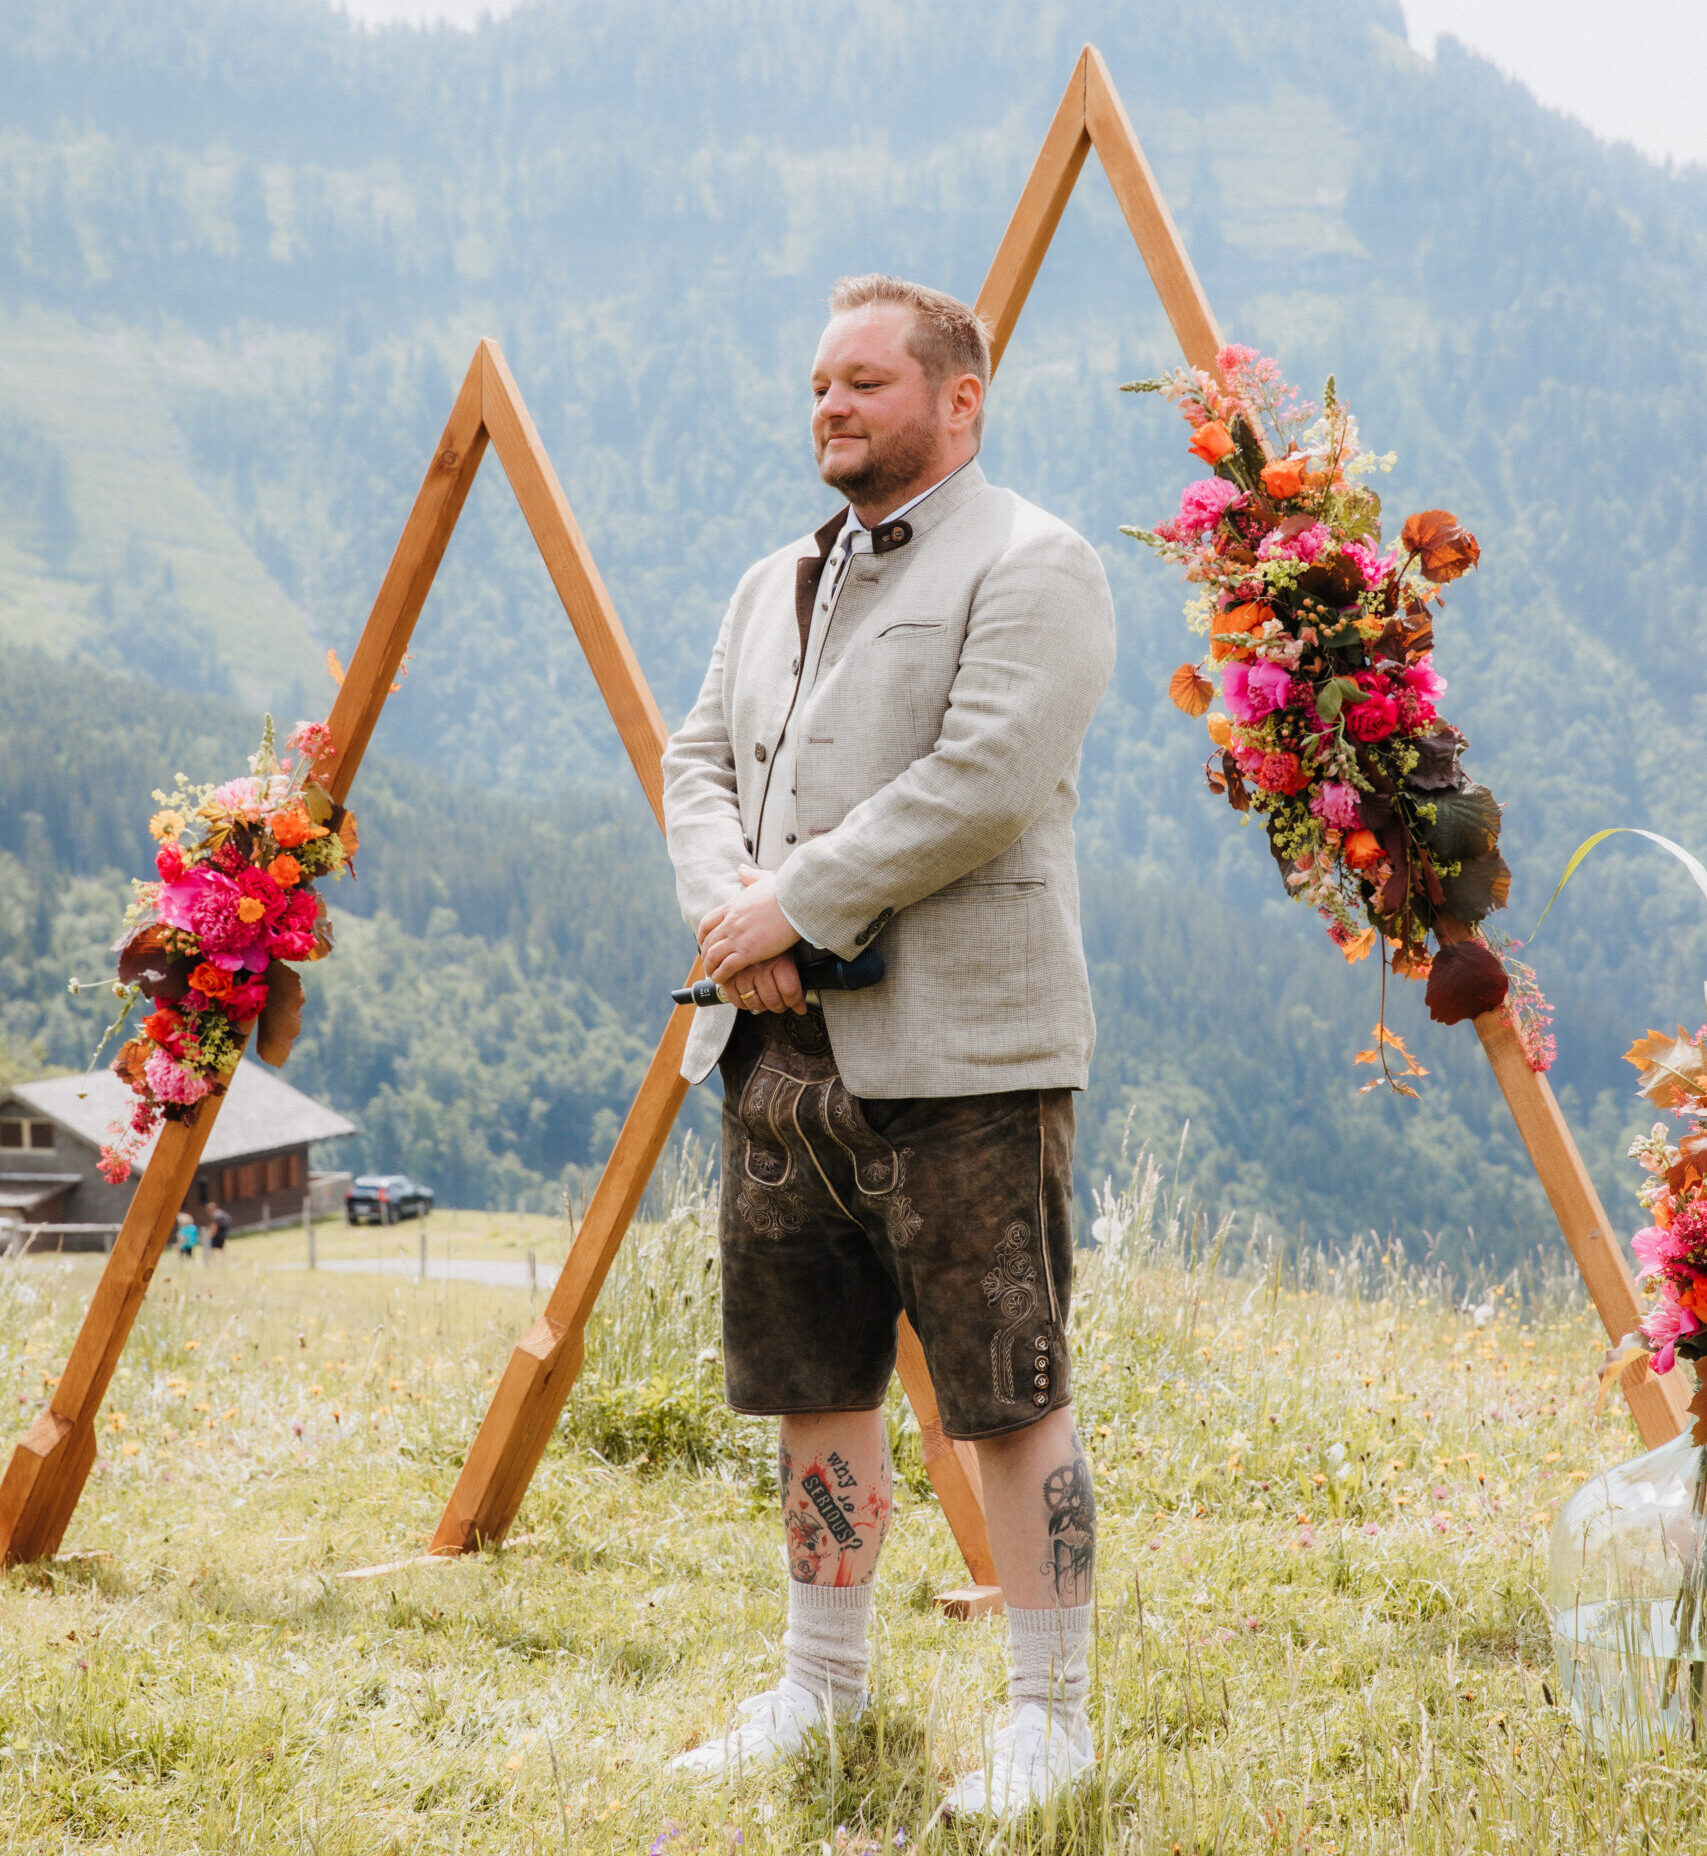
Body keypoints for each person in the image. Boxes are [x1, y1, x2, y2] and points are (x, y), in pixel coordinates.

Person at [661, 274, 1115, 1819]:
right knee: (816, 1382)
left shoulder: (1036, 563)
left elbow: (983, 781)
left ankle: (1052, 1720)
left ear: (959, 399)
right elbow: (698, 757)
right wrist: (732, 914)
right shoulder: (770, 579)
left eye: (864, 382)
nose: (831, 408)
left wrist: (791, 901)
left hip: (967, 1056)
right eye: (818, 385)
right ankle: (820, 1689)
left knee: (1010, 1388)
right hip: (775, 1048)